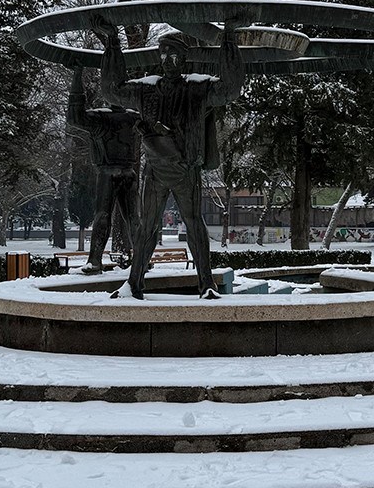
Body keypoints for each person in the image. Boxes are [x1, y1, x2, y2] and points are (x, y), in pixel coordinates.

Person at [95, 19, 245, 299]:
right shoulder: (146, 89)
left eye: (173, 53)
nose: (167, 59)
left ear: (184, 58)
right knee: (146, 227)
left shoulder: (197, 88)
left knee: (194, 225)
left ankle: (207, 284)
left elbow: (231, 88)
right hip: (155, 170)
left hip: (186, 169)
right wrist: (113, 42)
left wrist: (228, 39)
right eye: (162, 53)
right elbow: (112, 90)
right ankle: (133, 284)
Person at [67, 68, 140, 273]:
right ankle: (140, 258)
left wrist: (76, 77)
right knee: (134, 217)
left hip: (109, 173)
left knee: (103, 216)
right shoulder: (134, 117)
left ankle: (95, 260)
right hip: (129, 172)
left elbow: (75, 117)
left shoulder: (101, 118)